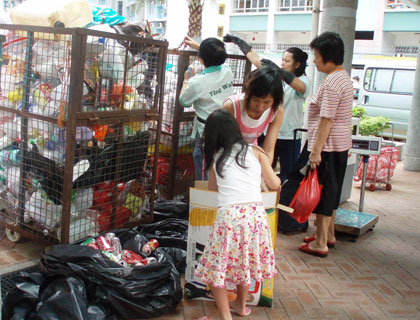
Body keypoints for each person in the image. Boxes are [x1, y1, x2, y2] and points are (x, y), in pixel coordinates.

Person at [195, 109, 280, 320]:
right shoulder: (256, 151)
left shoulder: (217, 157)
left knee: (217, 270)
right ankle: (241, 307)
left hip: (230, 218)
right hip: (256, 217)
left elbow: (214, 189)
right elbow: (275, 184)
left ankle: (226, 317)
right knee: (246, 262)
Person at [225, 34, 311, 181]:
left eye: (287, 61)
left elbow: (300, 87)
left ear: (297, 64)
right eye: (282, 60)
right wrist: (238, 41)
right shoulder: (273, 76)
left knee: (286, 175)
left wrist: (278, 70)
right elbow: (254, 58)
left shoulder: (303, 80)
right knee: (263, 171)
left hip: (289, 136)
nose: (283, 63)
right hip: (267, 131)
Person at [298, 32, 353, 258]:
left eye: (316, 55)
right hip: (340, 145)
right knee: (332, 190)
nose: (313, 60)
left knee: (323, 193)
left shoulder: (331, 82)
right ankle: (329, 235)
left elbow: (326, 119)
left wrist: (316, 152)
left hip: (328, 147)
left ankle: (320, 242)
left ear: (327, 56)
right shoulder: (343, 76)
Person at [179, 36, 234, 180]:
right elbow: (219, 61)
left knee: (204, 163)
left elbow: (184, 101)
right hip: (227, 128)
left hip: (206, 131)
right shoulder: (228, 72)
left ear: (201, 59)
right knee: (222, 163)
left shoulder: (196, 82)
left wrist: (186, 80)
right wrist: (199, 47)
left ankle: (205, 197)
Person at [222, 66, 284, 165]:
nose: (260, 107)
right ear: (247, 94)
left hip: (250, 153)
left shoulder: (277, 111)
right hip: (226, 154)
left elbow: (268, 150)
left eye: (267, 102)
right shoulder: (231, 106)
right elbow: (222, 144)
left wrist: (263, 174)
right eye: (255, 100)